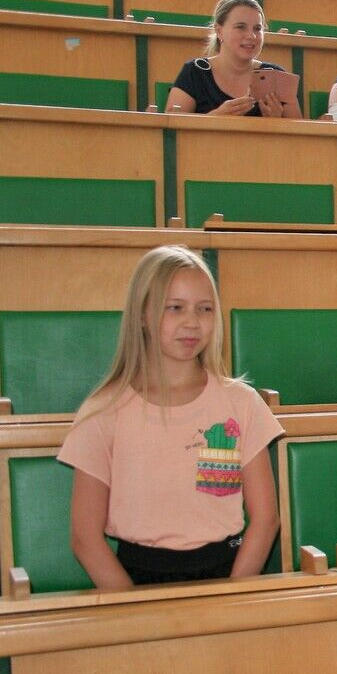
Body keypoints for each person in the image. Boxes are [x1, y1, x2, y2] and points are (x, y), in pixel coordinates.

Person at [58, 246, 283, 589]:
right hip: (136, 581)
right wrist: (133, 609)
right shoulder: (103, 411)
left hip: (229, 574)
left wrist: (231, 599)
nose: (192, 322)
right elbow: (85, 539)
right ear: (142, 315)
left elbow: (266, 520)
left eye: (204, 309)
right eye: (175, 308)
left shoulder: (242, 403)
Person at [164, 0, 302, 118]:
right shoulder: (195, 72)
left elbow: (299, 135)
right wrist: (215, 118)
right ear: (219, 31)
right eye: (241, 27)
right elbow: (174, 130)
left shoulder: (277, 76)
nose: (251, 36)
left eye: (257, 28)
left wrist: (276, 123)